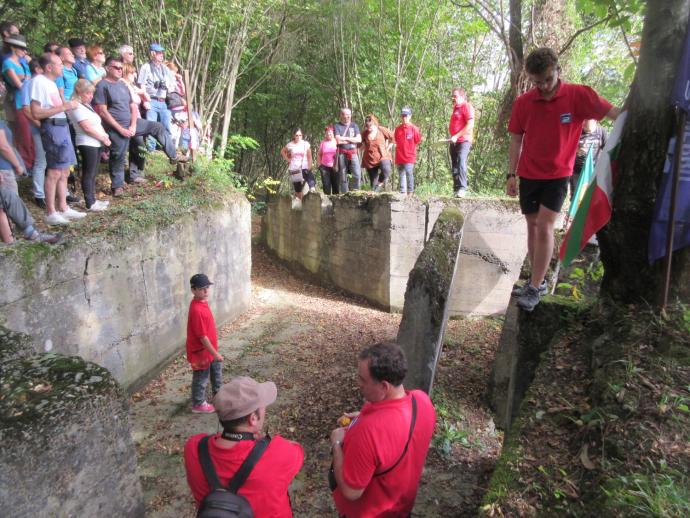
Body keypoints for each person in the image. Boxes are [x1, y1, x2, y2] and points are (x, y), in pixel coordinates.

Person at [507, 47, 619, 311]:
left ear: (558, 70)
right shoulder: (524, 103)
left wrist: (632, 118)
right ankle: (537, 280)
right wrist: (511, 174)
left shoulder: (578, 95)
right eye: (537, 82)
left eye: (547, 79)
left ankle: (535, 287)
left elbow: (613, 113)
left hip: (558, 175)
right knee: (532, 226)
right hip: (529, 174)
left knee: (545, 226)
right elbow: (515, 138)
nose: (544, 86)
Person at [330, 342, 436, 517]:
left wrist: (337, 443)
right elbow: (399, 427)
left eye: (363, 379)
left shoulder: (368, 431)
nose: (358, 384)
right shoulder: (422, 400)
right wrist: (363, 417)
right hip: (402, 506)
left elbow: (351, 491)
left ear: (384, 386)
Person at [184, 376, 304, 517]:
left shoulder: (194, 448)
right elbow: (298, 451)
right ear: (253, 418)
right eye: (263, 406)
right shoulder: (280, 452)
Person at [94, 57, 185, 196]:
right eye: (116, 68)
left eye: (121, 68)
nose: (120, 70)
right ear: (107, 68)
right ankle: (117, 186)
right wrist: (121, 129)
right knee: (118, 155)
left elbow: (133, 106)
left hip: (132, 123)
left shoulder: (123, 85)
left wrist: (133, 125)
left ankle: (173, 156)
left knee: (157, 127)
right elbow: (103, 112)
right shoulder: (102, 86)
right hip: (115, 127)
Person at [30, 52, 85, 225]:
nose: (62, 67)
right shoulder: (39, 82)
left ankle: (63, 207)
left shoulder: (52, 83)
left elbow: (58, 106)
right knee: (54, 171)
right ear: (49, 67)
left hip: (62, 126)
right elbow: (36, 112)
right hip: (52, 127)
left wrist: (69, 106)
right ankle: (50, 212)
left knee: (63, 170)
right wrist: (64, 106)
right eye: (59, 64)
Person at [68, 79, 111, 211]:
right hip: (87, 143)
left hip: (95, 143)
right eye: (88, 93)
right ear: (79, 92)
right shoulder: (76, 106)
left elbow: (95, 124)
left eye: (92, 93)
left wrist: (104, 138)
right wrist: (103, 138)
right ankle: (90, 202)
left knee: (93, 173)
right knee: (89, 172)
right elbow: (86, 128)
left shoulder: (86, 105)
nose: (91, 96)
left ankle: (93, 200)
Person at [186, 273, 223, 413]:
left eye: (207, 287)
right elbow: (202, 337)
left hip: (210, 350)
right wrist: (216, 353)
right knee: (201, 378)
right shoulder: (196, 309)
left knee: (216, 372)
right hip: (200, 352)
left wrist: (214, 353)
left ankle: (219, 397)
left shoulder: (202, 302)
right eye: (202, 288)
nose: (206, 291)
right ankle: (198, 403)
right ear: (193, 290)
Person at [2, 33, 33, 170]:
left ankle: (31, 163)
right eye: (21, 48)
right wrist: (24, 77)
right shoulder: (7, 62)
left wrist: (24, 77)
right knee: (23, 135)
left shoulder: (23, 63)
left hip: (31, 101)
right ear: (14, 48)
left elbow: (28, 79)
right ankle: (24, 165)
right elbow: (18, 84)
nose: (24, 52)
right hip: (19, 101)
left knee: (32, 135)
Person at [20, 60, 47, 208]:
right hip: (40, 129)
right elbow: (26, 109)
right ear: (37, 69)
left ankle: (58, 191)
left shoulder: (48, 83)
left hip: (53, 128)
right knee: (41, 161)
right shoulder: (28, 84)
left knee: (55, 162)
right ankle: (39, 194)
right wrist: (41, 125)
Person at [138, 43, 174, 144]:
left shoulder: (165, 68)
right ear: (152, 54)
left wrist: (168, 86)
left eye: (162, 53)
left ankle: (168, 148)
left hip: (163, 102)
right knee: (152, 126)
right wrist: (145, 100)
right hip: (151, 100)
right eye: (159, 53)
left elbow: (172, 84)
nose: (161, 55)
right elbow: (142, 85)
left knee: (166, 125)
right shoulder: (146, 67)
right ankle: (150, 150)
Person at [122, 63, 149, 184]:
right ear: (125, 73)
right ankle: (135, 173)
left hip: (137, 118)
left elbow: (146, 98)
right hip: (128, 120)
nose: (135, 75)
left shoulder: (132, 86)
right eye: (132, 73)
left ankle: (136, 173)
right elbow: (134, 100)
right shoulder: (122, 85)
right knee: (139, 146)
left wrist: (141, 92)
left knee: (138, 147)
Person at [570, 119, 607, 200]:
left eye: (587, 121)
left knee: (590, 197)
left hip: (593, 171)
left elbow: (606, 150)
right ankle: (573, 212)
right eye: (583, 121)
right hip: (576, 170)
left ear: (595, 120)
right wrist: (575, 149)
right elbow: (567, 146)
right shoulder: (577, 130)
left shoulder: (601, 132)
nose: (583, 123)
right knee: (575, 198)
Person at [448, 87, 475, 197]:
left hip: (464, 140)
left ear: (462, 96)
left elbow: (470, 125)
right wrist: (452, 137)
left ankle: (462, 188)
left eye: (455, 96)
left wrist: (457, 136)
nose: (453, 98)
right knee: (455, 165)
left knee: (461, 161)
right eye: (452, 96)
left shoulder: (466, 106)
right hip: (454, 140)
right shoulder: (456, 108)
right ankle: (456, 188)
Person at [393, 106, 422, 195]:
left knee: (409, 174)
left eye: (406, 115)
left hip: (409, 156)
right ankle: (402, 192)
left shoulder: (414, 129)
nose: (404, 118)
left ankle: (410, 192)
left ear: (410, 116)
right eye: (403, 116)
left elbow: (418, 140)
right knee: (401, 174)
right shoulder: (398, 129)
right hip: (399, 156)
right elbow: (396, 140)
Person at [361, 114, 393, 192]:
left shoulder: (381, 130)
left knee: (386, 170)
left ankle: (380, 183)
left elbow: (393, 138)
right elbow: (359, 144)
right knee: (373, 184)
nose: (369, 128)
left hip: (383, 156)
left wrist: (388, 147)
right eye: (367, 126)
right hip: (370, 159)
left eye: (370, 126)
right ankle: (374, 197)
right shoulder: (365, 133)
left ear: (374, 124)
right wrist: (363, 146)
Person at [280, 128, 314, 202]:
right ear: (294, 136)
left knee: (312, 184)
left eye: (300, 135)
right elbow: (282, 151)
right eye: (296, 135)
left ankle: (312, 202)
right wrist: (288, 159)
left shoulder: (306, 144)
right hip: (294, 169)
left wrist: (310, 166)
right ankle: (300, 206)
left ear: (302, 135)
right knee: (298, 190)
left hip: (304, 167)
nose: (298, 137)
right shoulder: (290, 145)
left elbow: (310, 157)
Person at [335, 108, 362, 193]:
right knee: (343, 176)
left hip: (353, 153)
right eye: (345, 114)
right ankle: (344, 195)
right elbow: (338, 140)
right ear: (341, 115)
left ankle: (355, 193)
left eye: (349, 115)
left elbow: (359, 139)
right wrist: (352, 139)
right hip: (342, 154)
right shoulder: (337, 126)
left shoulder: (354, 125)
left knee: (357, 174)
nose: (347, 116)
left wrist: (345, 138)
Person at [317, 125, 338, 195]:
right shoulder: (323, 142)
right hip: (324, 167)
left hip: (335, 167)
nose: (329, 135)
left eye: (330, 133)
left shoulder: (336, 141)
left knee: (336, 186)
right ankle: (327, 203)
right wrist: (319, 165)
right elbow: (319, 154)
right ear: (325, 134)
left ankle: (336, 203)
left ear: (333, 134)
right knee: (326, 186)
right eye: (327, 134)